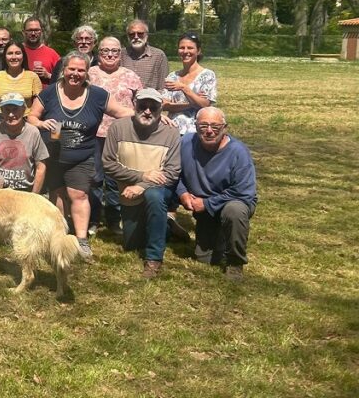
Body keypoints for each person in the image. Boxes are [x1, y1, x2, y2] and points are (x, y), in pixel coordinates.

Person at [27, 51, 135, 261]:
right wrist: (41, 123)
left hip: (82, 156)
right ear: (64, 70)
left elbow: (122, 112)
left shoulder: (97, 95)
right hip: (53, 154)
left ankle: (81, 240)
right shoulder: (50, 93)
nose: (75, 74)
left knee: (79, 195)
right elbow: (32, 116)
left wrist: (152, 114)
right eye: (71, 69)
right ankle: (59, 235)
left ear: (87, 73)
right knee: (57, 194)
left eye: (81, 70)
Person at [102, 89, 182, 279]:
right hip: (128, 194)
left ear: (160, 109)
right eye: (142, 106)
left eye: (153, 107)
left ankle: (154, 259)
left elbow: (172, 172)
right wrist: (142, 176)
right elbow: (108, 164)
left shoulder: (171, 132)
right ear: (134, 105)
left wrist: (142, 186)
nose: (147, 111)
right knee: (132, 244)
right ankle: (167, 225)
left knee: (154, 196)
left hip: (158, 191)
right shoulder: (118, 128)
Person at [177, 107, 257, 282]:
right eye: (203, 126)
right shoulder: (186, 143)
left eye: (215, 126)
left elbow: (243, 192)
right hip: (203, 210)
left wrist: (207, 204)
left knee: (234, 211)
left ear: (225, 128)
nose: (209, 131)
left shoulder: (238, 152)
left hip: (233, 201)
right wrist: (182, 193)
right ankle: (218, 233)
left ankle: (235, 263)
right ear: (195, 126)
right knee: (205, 259)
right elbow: (174, 174)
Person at [88, 36, 144, 233]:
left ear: (121, 54)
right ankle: (93, 218)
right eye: (105, 51)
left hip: (122, 134)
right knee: (95, 177)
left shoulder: (130, 75)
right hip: (94, 133)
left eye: (115, 51)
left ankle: (114, 219)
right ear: (98, 53)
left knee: (115, 179)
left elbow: (140, 104)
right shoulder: (89, 74)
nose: (110, 55)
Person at [0, 93, 48, 193]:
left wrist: (34, 195)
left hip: (24, 191)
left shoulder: (33, 132)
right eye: (7, 110)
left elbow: (41, 166)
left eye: (15, 109)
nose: (11, 114)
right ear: (1, 111)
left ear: (23, 110)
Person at [162, 32, 217, 135]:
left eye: (190, 48)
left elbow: (205, 105)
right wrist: (192, 103)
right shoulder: (172, 76)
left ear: (198, 51)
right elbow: (164, 105)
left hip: (196, 132)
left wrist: (184, 88)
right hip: (172, 130)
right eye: (182, 48)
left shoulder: (207, 75)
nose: (185, 51)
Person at [0, 41, 42, 125]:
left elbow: (37, 107)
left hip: (26, 122)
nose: (14, 57)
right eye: (10, 53)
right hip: (1, 120)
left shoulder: (33, 77)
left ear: (23, 56)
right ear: (5, 56)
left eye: (18, 53)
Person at [121, 19, 169, 91]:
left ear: (147, 35)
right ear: (128, 36)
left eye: (140, 33)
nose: (136, 37)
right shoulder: (121, 54)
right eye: (132, 34)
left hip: (150, 97)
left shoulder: (158, 56)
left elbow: (163, 86)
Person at [21, 18, 60, 86]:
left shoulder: (51, 53)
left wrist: (48, 75)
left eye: (36, 30)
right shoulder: (17, 51)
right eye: (30, 30)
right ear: (23, 32)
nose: (33, 33)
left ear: (41, 31)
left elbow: (64, 77)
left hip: (46, 92)